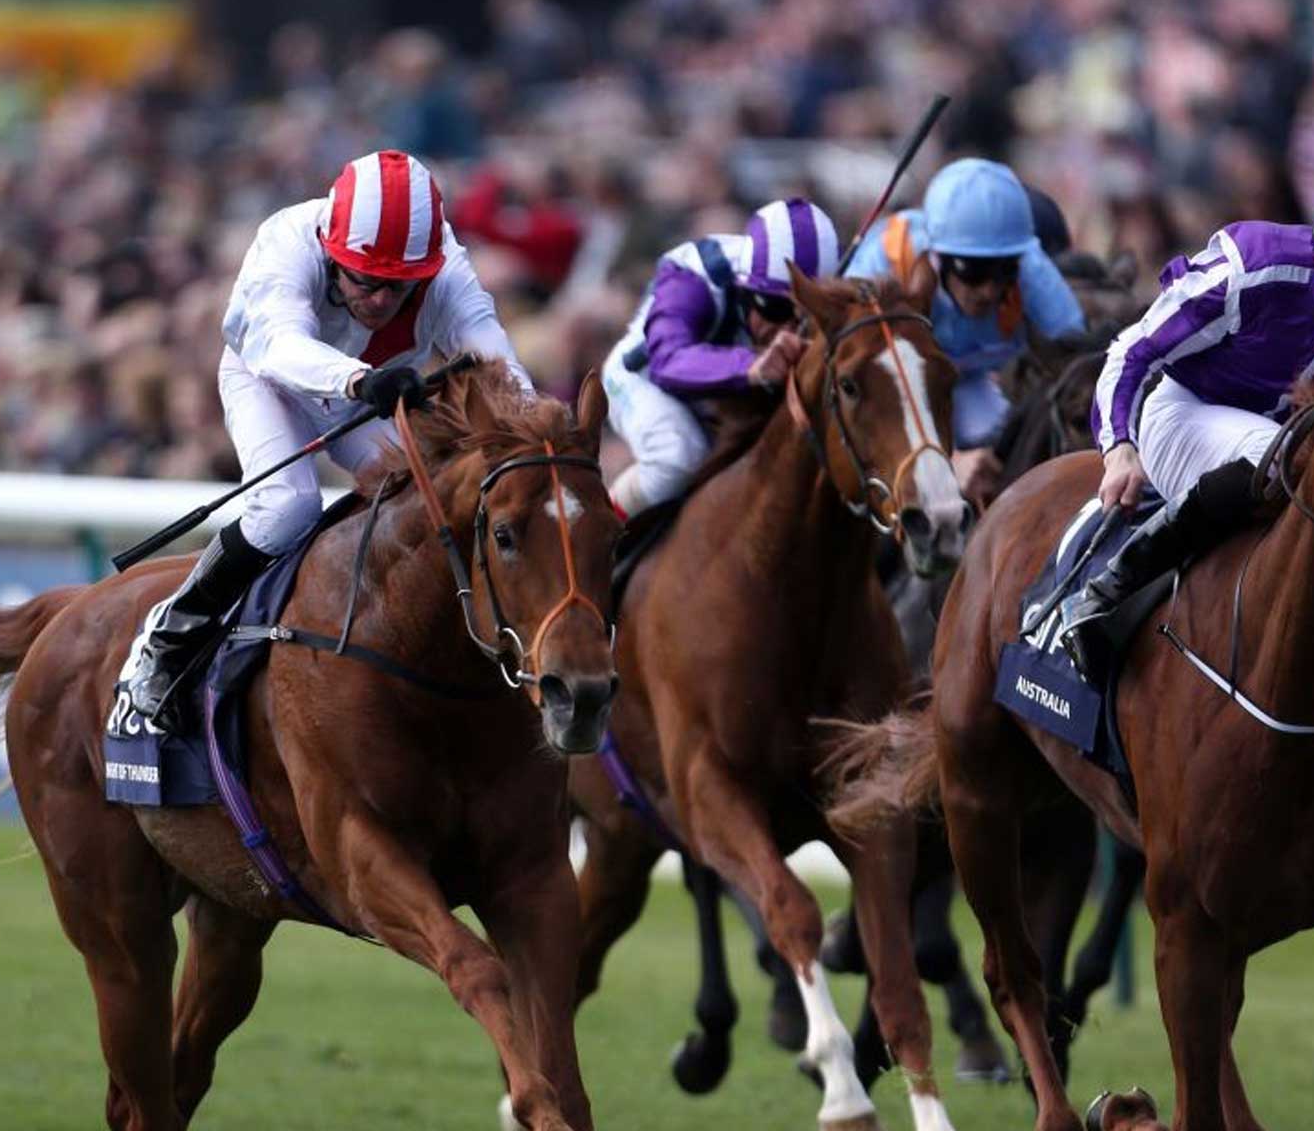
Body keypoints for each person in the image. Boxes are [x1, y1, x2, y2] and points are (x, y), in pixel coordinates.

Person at [114, 150, 533, 733]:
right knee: (288, 506)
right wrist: (360, 379)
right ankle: (168, 638)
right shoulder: (287, 239)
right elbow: (282, 346)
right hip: (269, 381)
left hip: (367, 393)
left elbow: (493, 356)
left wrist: (534, 424)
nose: (383, 300)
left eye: (400, 285)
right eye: (366, 279)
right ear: (332, 249)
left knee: (433, 496)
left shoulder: (446, 264)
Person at [1055, 168, 1314, 676]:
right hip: (1185, 414)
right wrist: (1119, 449)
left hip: (1294, 434)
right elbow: (1131, 352)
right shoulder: (1251, 269)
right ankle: (1110, 588)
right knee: (1288, 458)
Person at [847, 159, 1085, 508]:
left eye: (1004, 271)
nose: (989, 290)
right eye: (972, 270)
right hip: (894, 392)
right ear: (937, 255)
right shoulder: (883, 264)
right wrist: (948, 460)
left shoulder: (1031, 269)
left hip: (971, 385)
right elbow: (863, 391)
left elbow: (1078, 360)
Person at [601, 197, 837, 516]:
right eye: (776, 309)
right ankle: (602, 546)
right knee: (678, 455)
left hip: (724, 395)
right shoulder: (694, 274)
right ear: (745, 288)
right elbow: (667, 360)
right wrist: (751, 366)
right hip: (643, 380)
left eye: (806, 315)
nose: (789, 330)